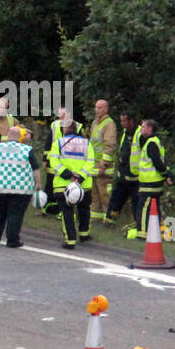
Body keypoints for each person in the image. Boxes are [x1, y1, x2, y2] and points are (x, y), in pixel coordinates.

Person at [0, 127, 42, 248]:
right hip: (21, 189)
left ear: (8, 135)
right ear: (20, 137)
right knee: (15, 215)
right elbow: (35, 168)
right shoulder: (27, 150)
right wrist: (38, 183)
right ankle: (12, 240)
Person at [51, 121, 96, 249]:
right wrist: (80, 176)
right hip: (83, 185)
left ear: (65, 129)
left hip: (63, 184)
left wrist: (67, 174)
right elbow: (90, 162)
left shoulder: (58, 143)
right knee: (84, 210)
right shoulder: (87, 143)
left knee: (67, 212)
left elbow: (54, 161)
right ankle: (84, 234)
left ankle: (70, 240)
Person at [135, 119, 171, 239]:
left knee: (143, 208)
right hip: (155, 182)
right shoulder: (155, 141)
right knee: (155, 209)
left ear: (150, 129)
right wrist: (167, 175)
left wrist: (165, 174)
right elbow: (163, 161)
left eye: (144, 127)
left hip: (150, 182)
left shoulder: (151, 143)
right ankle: (159, 234)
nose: (141, 129)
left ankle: (142, 235)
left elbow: (157, 162)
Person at [44, 107, 81, 216]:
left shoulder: (77, 126)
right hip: (54, 160)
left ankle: (62, 210)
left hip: (69, 162)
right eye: (59, 114)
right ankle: (47, 208)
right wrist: (45, 159)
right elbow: (48, 142)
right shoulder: (55, 125)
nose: (60, 117)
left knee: (66, 186)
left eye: (62, 114)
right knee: (50, 185)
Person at [87, 100, 118, 224]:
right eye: (95, 107)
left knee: (105, 195)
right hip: (94, 166)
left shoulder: (109, 124)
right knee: (94, 195)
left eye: (100, 107)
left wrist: (104, 164)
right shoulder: (95, 123)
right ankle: (96, 218)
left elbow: (109, 145)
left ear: (106, 109)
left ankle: (109, 219)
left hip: (104, 167)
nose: (97, 110)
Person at [107, 112, 140, 226]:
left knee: (136, 204)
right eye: (121, 121)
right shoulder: (126, 133)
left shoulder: (140, 133)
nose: (122, 123)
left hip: (136, 179)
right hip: (123, 176)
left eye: (124, 121)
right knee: (115, 201)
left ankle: (138, 226)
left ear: (131, 121)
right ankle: (110, 222)